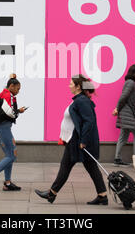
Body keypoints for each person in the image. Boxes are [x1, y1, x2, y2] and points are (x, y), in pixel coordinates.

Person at [35, 75, 108, 205]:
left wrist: (83, 141)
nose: (69, 86)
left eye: (71, 84)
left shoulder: (81, 101)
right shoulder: (79, 100)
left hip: (78, 141)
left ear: (78, 86)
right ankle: (102, 195)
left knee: (66, 166)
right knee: (91, 167)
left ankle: (51, 194)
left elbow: (89, 121)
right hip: (77, 140)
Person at [0, 74, 28, 191]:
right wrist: (20, 111)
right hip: (4, 129)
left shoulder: (1, 94)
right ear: (11, 86)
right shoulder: (9, 96)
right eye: (17, 88)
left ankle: (7, 183)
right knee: (12, 155)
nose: (18, 91)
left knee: (9, 155)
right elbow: (11, 113)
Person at [112, 64, 135, 168]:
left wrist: (118, 109)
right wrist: (117, 108)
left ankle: (117, 159)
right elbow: (123, 97)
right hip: (129, 114)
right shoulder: (131, 83)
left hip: (126, 114)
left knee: (123, 135)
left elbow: (124, 98)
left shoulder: (130, 83)